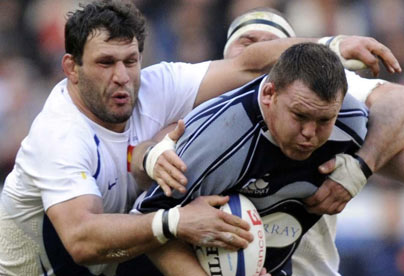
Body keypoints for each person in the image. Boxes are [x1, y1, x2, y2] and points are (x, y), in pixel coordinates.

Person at [0, 1, 403, 276]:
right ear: (71, 67)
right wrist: (176, 221)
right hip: (35, 262)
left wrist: (331, 46)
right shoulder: (60, 134)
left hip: (116, 255)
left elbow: (246, 66)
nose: (122, 76)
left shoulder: (158, 85)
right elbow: (81, 239)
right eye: (105, 63)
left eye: (131, 61)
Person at [148, 8, 404, 276]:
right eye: (247, 44)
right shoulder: (208, 126)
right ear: (224, 60)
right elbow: (148, 216)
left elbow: (394, 118)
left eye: (272, 47)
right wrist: (151, 156)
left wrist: (361, 169)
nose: (258, 57)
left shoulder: (323, 95)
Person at [134, 42, 368, 276]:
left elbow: (398, 112)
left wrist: (364, 166)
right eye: (299, 116)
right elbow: (147, 217)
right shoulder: (218, 140)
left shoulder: (351, 121)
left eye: (324, 120)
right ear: (269, 94)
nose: (309, 132)